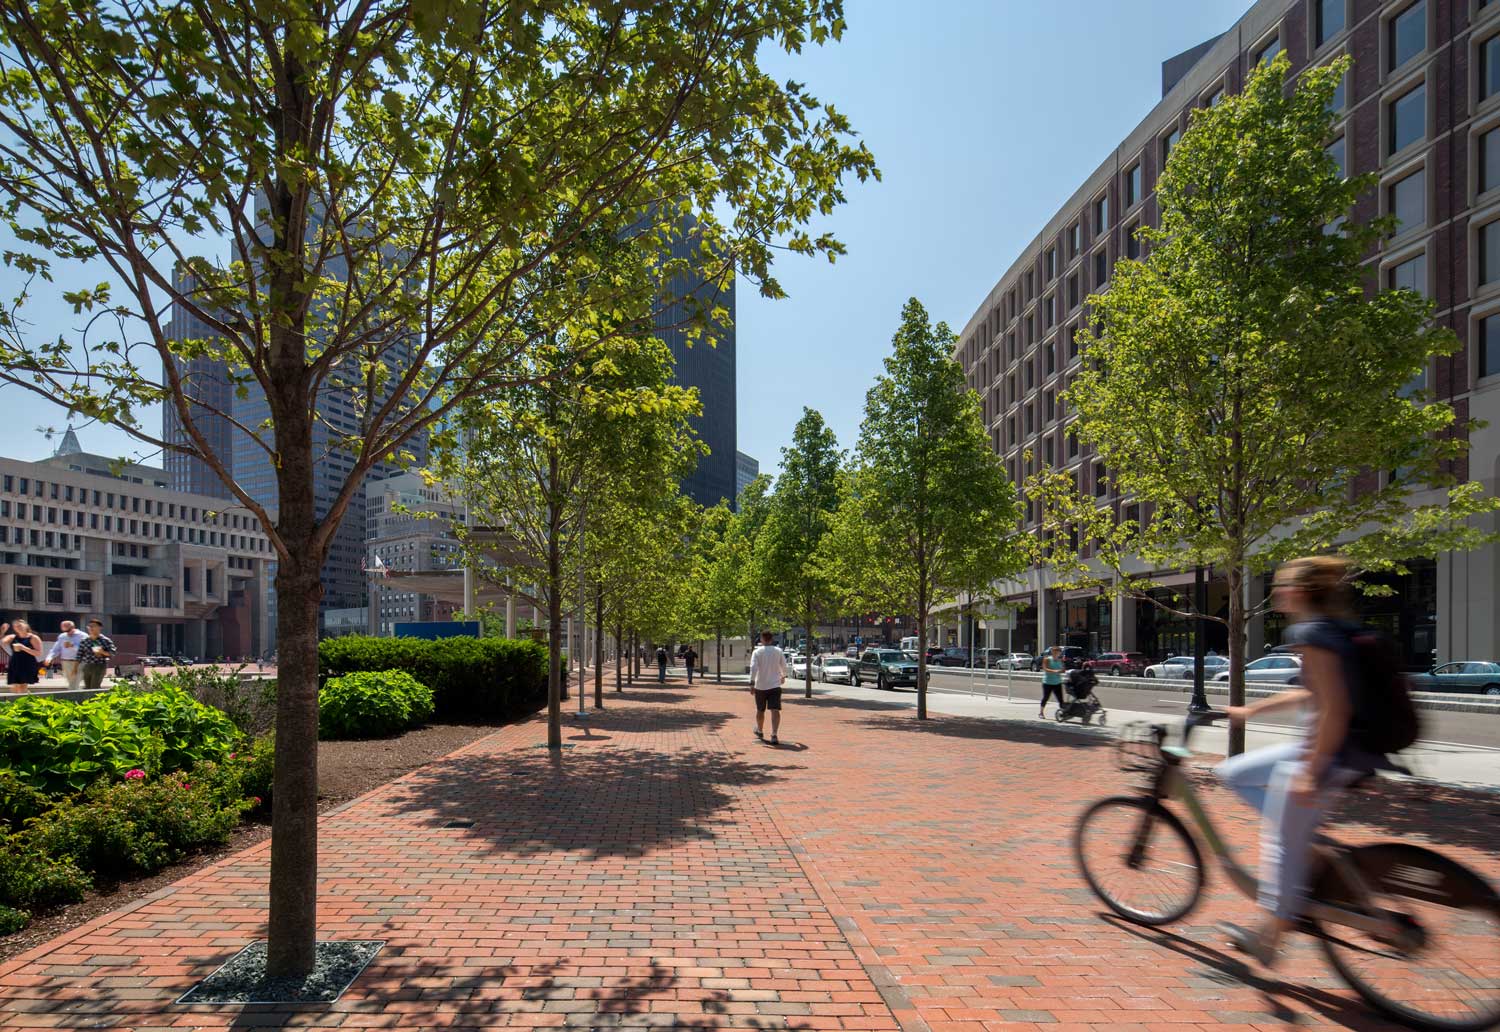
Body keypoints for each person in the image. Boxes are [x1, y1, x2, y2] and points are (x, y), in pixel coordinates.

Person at [1215, 555, 1379, 968]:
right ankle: (1308, 843)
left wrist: (1310, 771)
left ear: (1302, 592)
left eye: (1283, 585)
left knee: (1281, 845)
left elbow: (1334, 709)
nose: (1276, 592)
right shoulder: (1331, 629)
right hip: (1326, 749)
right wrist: (1251, 711)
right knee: (1233, 772)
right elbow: (1312, 693)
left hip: (1326, 754)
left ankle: (1269, 940)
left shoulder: (1312, 632)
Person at [748, 630, 788, 745]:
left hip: (760, 685)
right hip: (775, 685)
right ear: (771, 639)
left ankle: (760, 730)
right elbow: (784, 665)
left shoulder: (757, 652)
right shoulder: (778, 651)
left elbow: (753, 668)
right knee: (775, 710)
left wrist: (752, 683)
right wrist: (783, 675)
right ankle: (774, 734)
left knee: (760, 710)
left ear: (762, 639)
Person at [45, 620, 88, 691]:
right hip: (66, 662)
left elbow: (86, 650)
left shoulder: (83, 636)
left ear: (73, 627)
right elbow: (55, 649)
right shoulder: (62, 636)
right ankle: (75, 696)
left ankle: (73, 697)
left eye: (68, 630)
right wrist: (49, 657)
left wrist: (73, 646)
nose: (67, 633)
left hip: (79, 662)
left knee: (75, 682)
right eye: (65, 631)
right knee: (71, 682)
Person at [2, 620, 43, 693]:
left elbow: (39, 653)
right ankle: (25, 698)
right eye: (15, 626)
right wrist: (2, 632)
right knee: (14, 686)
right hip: (15, 663)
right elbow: (2, 643)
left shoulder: (33, 637)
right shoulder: (12, 637)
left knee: (23, 685)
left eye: (20, 626)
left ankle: (23, 701)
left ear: (26, 626)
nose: (18, 628)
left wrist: (23, 648)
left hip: (27, 663)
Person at [77, 620, 115, 691]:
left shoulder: (105, 640)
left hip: (99, 665)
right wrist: (75, 668)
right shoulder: (84, 640)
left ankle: (95, 700)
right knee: (87, 688)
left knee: (94, 687)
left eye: (93, 626)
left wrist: (102, 652)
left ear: (99, 628)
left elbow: (112, 653)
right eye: (89, 626)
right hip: (87, 666)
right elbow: (79, 655)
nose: (91, 628)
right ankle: (88, 701)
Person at [1039, 645, 1066, 718]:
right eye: (1056, 652)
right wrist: (1055, 671)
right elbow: (1045, 668)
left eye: (1059, 652)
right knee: (1046, 697)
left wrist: (1062, 670)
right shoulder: (1047, 659)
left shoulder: (1060, 660)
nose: (1057, 654)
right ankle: (1041, 713)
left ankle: (1063, 713)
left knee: (1060, 699)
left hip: (1057, 682)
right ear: (1052, 652)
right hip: (1047, 682)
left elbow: (1063, 670)